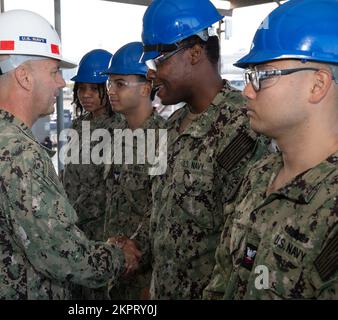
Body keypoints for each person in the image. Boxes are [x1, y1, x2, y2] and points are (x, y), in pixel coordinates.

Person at [0, 9, 141, 300]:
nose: (62, 83)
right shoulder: (20, 154)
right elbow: (64, 257)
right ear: (24, 77)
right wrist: (119, 256)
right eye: (54, 72)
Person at [204, 0, 338, 300]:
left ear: (317, 85)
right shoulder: (260, 174)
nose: (247, 91)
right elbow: (223, 279)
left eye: (262, 76)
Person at [136, 0, 268, 299]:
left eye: (160, 60)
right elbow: (160, 214)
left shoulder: (242, 129)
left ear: (195, 53)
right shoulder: (171, 129)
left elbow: (244, 248)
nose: (152, 74)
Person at [102, 41, 166, 300]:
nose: (110, 91)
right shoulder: (115, 134)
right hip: (117, 266)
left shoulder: (165, 137)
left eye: (119, 83)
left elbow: (163, 211)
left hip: (146, 273)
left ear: (146, 88)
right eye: (109, 83)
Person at [62, 49, 122, 242]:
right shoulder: (79, 124)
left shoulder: (119, 127)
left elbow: (107, 189)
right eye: (81, 88)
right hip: (74, 225)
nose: (86, 95)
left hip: (100, 229)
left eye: (94, 89)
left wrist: (72, 215)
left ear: (108, 88)